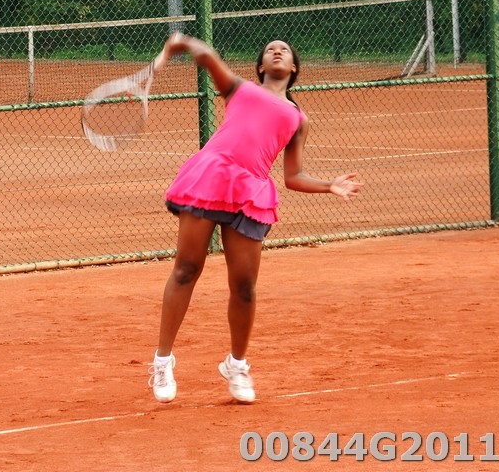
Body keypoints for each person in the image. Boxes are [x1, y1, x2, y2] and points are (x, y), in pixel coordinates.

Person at [149, 34, 362, 404]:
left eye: (285, 49)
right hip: (211, 176)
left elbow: (293, 176)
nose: (277, 51)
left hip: (252, 192)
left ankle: (236, 365)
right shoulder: (240, 89)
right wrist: (178, 42)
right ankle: (162, 362)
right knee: (186, 269)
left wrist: (329, 185)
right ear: (261, 66)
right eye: (269, 49)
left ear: (293, 67)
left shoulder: (298, 119)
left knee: (245, 287)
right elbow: (207, 55)